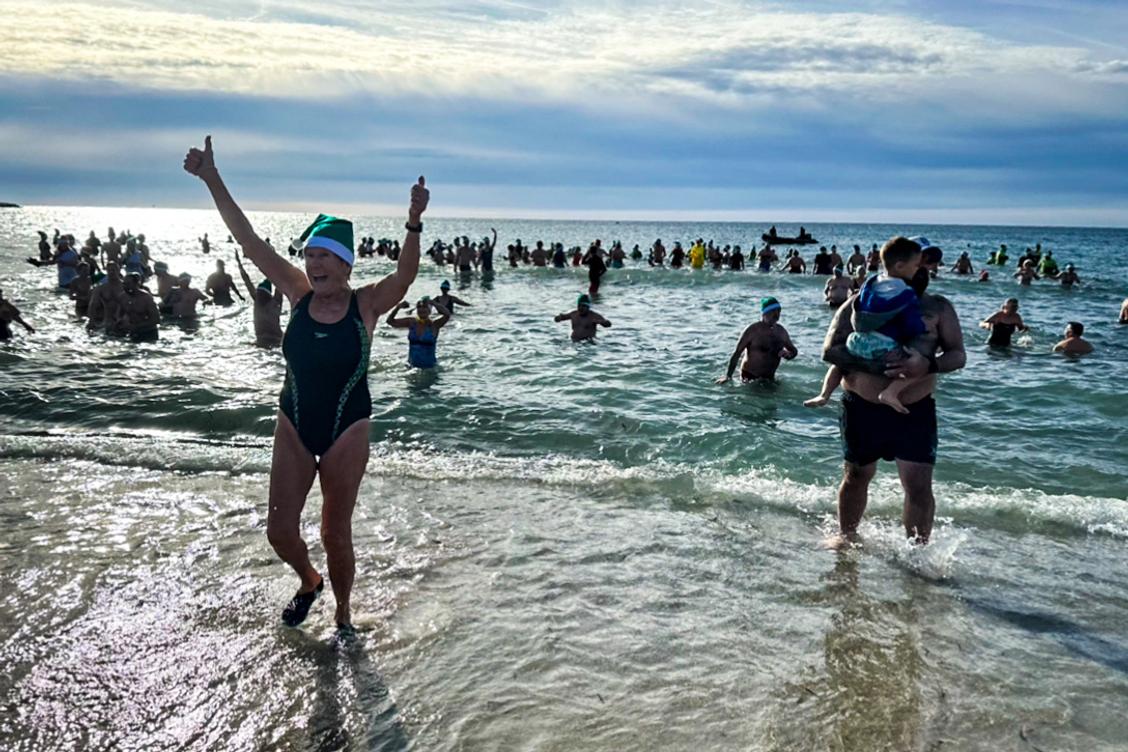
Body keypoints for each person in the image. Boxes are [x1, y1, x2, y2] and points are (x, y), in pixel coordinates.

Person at [185, 134, 430, 631]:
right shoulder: (296, 293)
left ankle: (342, 616)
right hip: (294, 422)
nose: (313, 264)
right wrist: (212, 178)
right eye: (310, 254)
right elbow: (251, 242)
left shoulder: (365, 304)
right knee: (279, 531)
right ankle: (308, 580)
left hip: (347, 429)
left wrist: (413, 221)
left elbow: (404, 278)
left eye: (324, 256)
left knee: (335, 531)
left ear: (345, 265)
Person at [820, 237, 965, 546]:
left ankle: (917, 552)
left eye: (928, 262)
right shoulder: (861, 303)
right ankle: (846, 538)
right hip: (861, 405)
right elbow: (830, 350)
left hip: (914, 409)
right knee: (856, 476)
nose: (924, 268)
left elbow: (957, 355)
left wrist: (925, 366)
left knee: (918, 485)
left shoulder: (938, 308)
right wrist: (882, 367)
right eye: (920, 262)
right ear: (899, 267)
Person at [842, 237, 930, 414]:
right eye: (915, 264)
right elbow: (911, 324)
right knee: (917, 366)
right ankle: (890, 392)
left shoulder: (870, 286)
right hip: (881, 347)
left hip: (855, 342)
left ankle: (825, 393)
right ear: (899, 266)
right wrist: (922, 328)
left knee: (838, 365)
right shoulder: (905, 295)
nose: (918, 268)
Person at [716, 297, 798, 383]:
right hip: (749, 377)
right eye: (773, 312)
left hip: (770, 379)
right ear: (764, 313)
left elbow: (793, 351)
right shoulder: (752, 331)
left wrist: (788, 355)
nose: (776, 315)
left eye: (778, 311)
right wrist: (728, 376)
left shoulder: (781, 332)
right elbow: (737, 353)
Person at [235, 250, 284, 348]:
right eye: (258, 293)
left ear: (266, 295)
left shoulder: (274, 303)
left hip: (276, 339)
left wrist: (277, 263)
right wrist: (239, 265)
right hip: (265, 340)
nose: (259, 295)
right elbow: (247, 281)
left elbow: (280, 282)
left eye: (260, 293)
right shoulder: (261, 300)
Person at [386, 297, 450, 368]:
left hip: (430, 369)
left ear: (429, 311)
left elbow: (447, 315)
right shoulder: (411, 322)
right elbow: (390, 321)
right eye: (419, 307)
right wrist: (397, 308)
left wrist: (434, 303)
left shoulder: (434, 325)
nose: (421, 309)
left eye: (424, 307)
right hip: (411, 367)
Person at [119, 272, 161, 341]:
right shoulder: (122, 297)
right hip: (132, 332)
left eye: (128, 284)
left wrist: (136, 326)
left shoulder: (146, 298)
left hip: (148, 333)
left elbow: (156, 320)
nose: (126, 286)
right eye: (124, 284)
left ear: (137, 284)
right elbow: (119, 315)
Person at [86, 262, 125, 333]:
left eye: (113, 270)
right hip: (106, 320)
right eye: (109, 270)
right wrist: (91, 321)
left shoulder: (125, 287)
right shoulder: (101, 288)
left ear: (119, 270)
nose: (111, 272)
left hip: (122, 320)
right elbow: (93, 305)